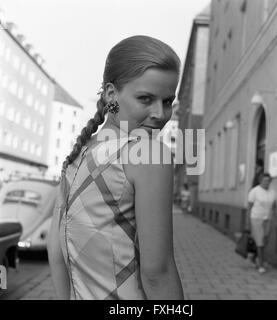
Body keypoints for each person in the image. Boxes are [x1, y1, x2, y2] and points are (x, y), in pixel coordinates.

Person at [47, 35, 184, 300]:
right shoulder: (149, 154)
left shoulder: (77, 155)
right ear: (111, 94)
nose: (160, 114)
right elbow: (158, 273)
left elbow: (56, 251)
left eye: (168, 101)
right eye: (146, 98)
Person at [247, 173, 277, 274]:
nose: (267, 182)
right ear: (260, 181)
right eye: (265, 180)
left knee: (265, 240)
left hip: (268, 219)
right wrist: (247, 223)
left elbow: (275, 207)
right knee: (260, 242)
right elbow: (249, 207)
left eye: (268, 181)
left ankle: (254, 257)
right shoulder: (254, 191)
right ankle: (260, 264)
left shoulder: (272, 192)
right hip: (256, 218)